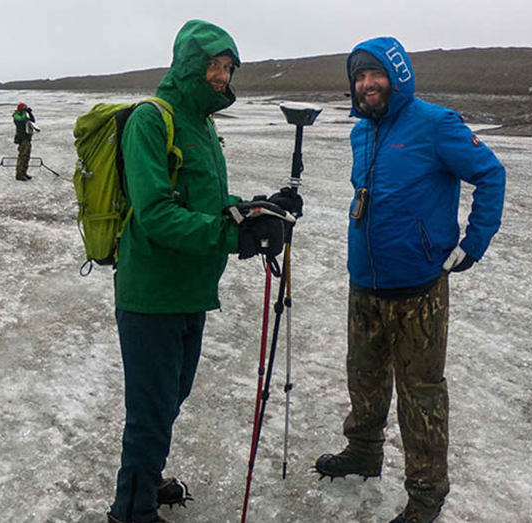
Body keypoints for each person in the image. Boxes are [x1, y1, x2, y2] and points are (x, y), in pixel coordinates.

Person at [106, 20, 294, 523]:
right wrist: (233, 237)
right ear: (189, 64)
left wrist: (257, 210)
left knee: (171, 397)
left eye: (228, 67)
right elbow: (156, 213)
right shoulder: (152, 120)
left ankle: (145, 477)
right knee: (150, 409)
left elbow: (209, 204)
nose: (221, 75)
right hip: (151, 293)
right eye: (213, 65)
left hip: (192, 290)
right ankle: (131, 510)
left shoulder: (204, 125)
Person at [314, 37, 506, 523]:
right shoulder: (362, 132)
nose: (366, 84)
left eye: (375, 75)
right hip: (365, 283)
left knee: (421, 394)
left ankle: (426, 493)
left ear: (397, 77)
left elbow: (491, 174)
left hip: (419, 288)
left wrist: (473, 241)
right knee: (364, 376)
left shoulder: (436, 124)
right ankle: (363, 451)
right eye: (358, 77)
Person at [13, 103, 37, 181]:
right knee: (22, 156)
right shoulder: (16, 116)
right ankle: (19, 174)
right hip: (22, 139)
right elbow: (22, 120)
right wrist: (24, 112)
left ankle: (24, 172)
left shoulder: (25, 116)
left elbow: (33, 121)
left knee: (26, 156)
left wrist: (30, 113)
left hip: (27, 139)